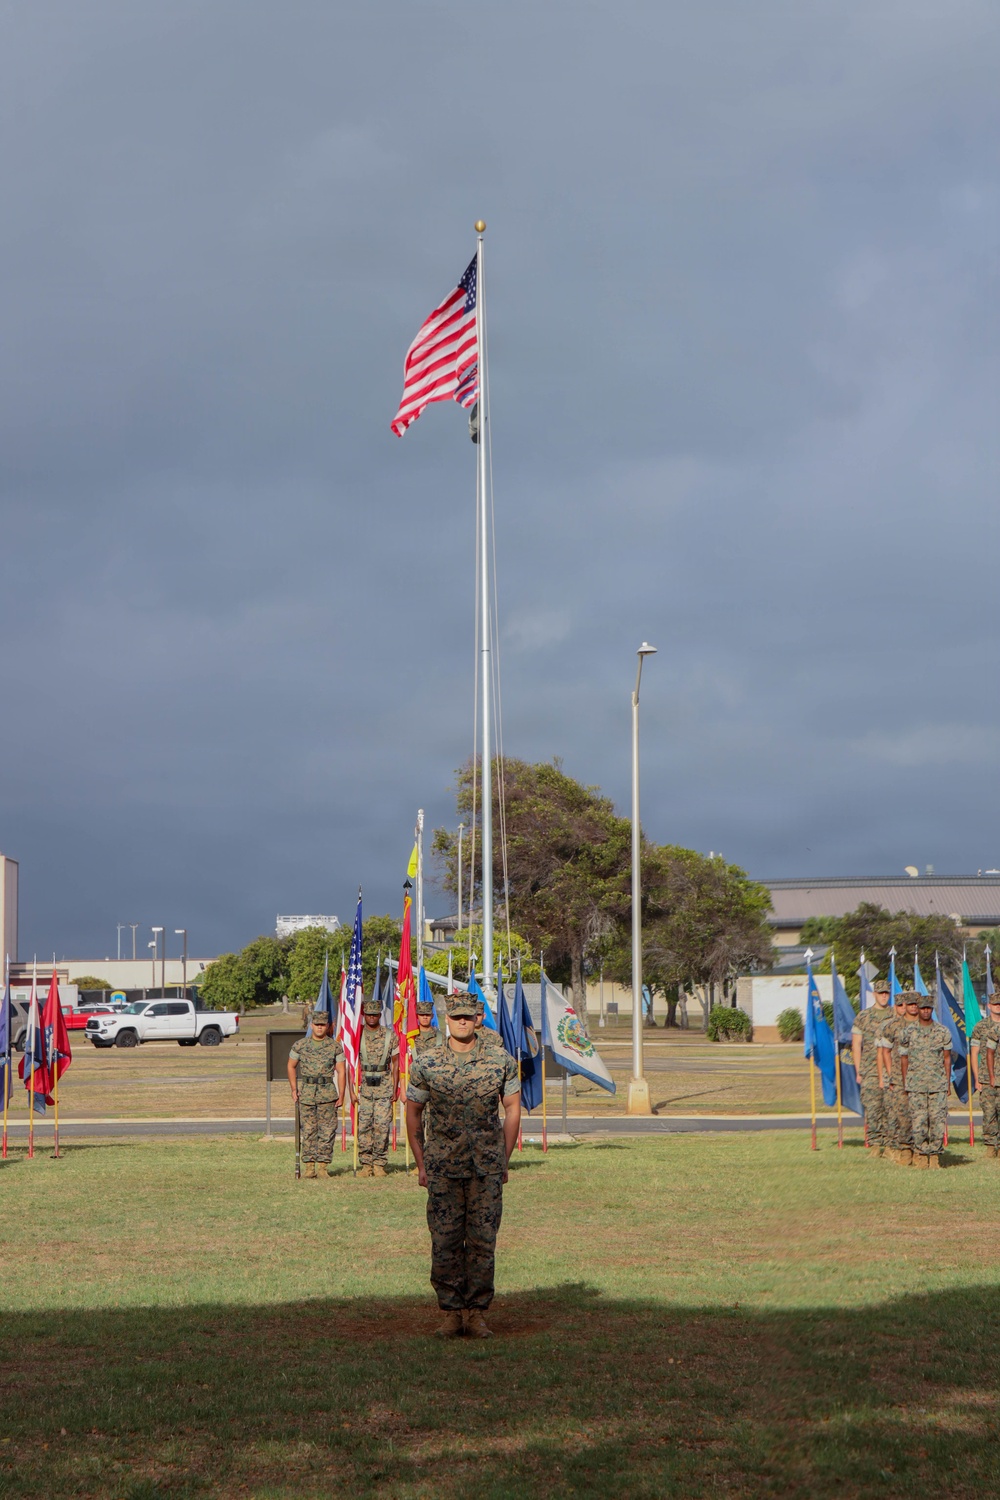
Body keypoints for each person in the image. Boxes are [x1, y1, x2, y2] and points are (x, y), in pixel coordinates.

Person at [405, 991, 521, 1339]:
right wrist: (421, 1163)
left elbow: (512, 1108)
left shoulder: (501, 1061)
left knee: (483, 1242)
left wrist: (504, 1158)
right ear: (447, 1019)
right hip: (443, 1168)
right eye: (456, 1017)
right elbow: (413, 1113)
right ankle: (451, 1313)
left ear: (476, 1019)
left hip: (485, 1168)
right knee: (445, 1242)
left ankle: (477, 1313)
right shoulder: (427, 1063)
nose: (462, 1022)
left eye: (468, 1017)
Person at [287, 1009, 345, 1179]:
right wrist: (293, 1089)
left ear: (328, 1026)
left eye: (323, 1025)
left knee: (327, 1131)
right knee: (309, 1130)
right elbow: (290, 1066)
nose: (320, 1027)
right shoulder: (300, 1045)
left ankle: (323, 1167)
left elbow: (341, 1071)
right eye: (317, 1024)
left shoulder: (335, 1046)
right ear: (311, 1025)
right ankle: (309, 1167)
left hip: (327, 1094)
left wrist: (342, 1094)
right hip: (307, 1093)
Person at [900, 995, 951, 1168]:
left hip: (938, 1084)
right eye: (923, 1008)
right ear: (918, 1010)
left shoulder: (942, 1032)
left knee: (937, 1121)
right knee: (919, 1121)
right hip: (916, 1084)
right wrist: (906, 1082)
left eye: (929, 1008)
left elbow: (947, 1058)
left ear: (932, 1009)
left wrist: (947, 1083)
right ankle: (921, 1155)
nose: (926, 1011)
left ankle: (934, 1155)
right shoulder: (908, 1032)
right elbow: (904, 1059)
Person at [352, 997, 399, 1178]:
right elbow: (350, 1064)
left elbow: (396, 1064)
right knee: (364, 1126)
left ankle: (379, 1163)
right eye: (368, 1014)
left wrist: (395, 1088)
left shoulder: (390, 1035)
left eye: (375, 1014)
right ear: (364, 1015)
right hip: (364, 1088)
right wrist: (351, 1090)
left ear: (380, 1015)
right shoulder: (357, 1035)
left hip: (384, 1086)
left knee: (382, 1126)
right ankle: (366, 1164)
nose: (371, 1017)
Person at [877, 991, 920, 1165]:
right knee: (902, 1115)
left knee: (921, 1115)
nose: (912, 1007)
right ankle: (905, 1150)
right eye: (908, 1004)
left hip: (921, 1077)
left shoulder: (926, 1024)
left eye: (915, 1004)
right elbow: (885, 1052)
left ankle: (920, 1151)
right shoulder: (892, 1026)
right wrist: (890, 1075)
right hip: (899, 1078)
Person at [853, 978, 892, 1155]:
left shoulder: (896, 1015)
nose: (884, 996)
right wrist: (858, 1071)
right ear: (874, 994)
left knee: (890, 1108)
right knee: (873, 1108)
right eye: (881, 993)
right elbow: (856, 1045)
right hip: (870, 1069)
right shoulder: (863, 1017)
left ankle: (890, 1144)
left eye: (886, 993)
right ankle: (875, 1144)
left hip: (890, 1069)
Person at [969, 994, 1000, 1157]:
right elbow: (974, 1053)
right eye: (995, 1004)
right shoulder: (980, 1027)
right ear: (989, 1006)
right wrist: (977, 1078)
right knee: (989, 1112)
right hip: (986, 1077)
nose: (998, 1006)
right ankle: (990, 1146)